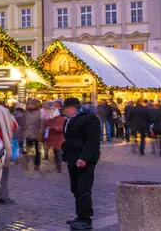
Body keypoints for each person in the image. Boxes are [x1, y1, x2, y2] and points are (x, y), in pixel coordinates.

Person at [61, 97, 100, 230]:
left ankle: (86, 219)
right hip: (72, 158)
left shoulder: (89, 118)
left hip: (84, 159)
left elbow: (92, 140)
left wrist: (84, 157)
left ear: (72, 108)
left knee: (83, 189)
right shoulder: (69, 120)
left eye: (65, 108)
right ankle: (80, 216)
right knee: (75, 188)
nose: (64, 111)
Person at [44, 103, 66, 173]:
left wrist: (56, 128)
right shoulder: (49, 119)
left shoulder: (62, 119)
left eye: (52, 110)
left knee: (59, 153)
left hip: (59, 139)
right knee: (55, 153)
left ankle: (59, 166)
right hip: (52, 138)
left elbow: (63, 129)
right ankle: (57, 165)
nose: (51, 112)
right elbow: (46, 125)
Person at [23, 100, 43, 171]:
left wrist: (40, 133)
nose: (30, 106)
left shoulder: (40, 113)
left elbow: (42, 124)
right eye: (29, 104)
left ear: (36, 106)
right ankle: (28, 163)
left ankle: (37, 164)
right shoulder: (26, 113)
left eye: (32, 104)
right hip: (28, 134)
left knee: (37, 151)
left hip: (36, 134)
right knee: (28, 150)